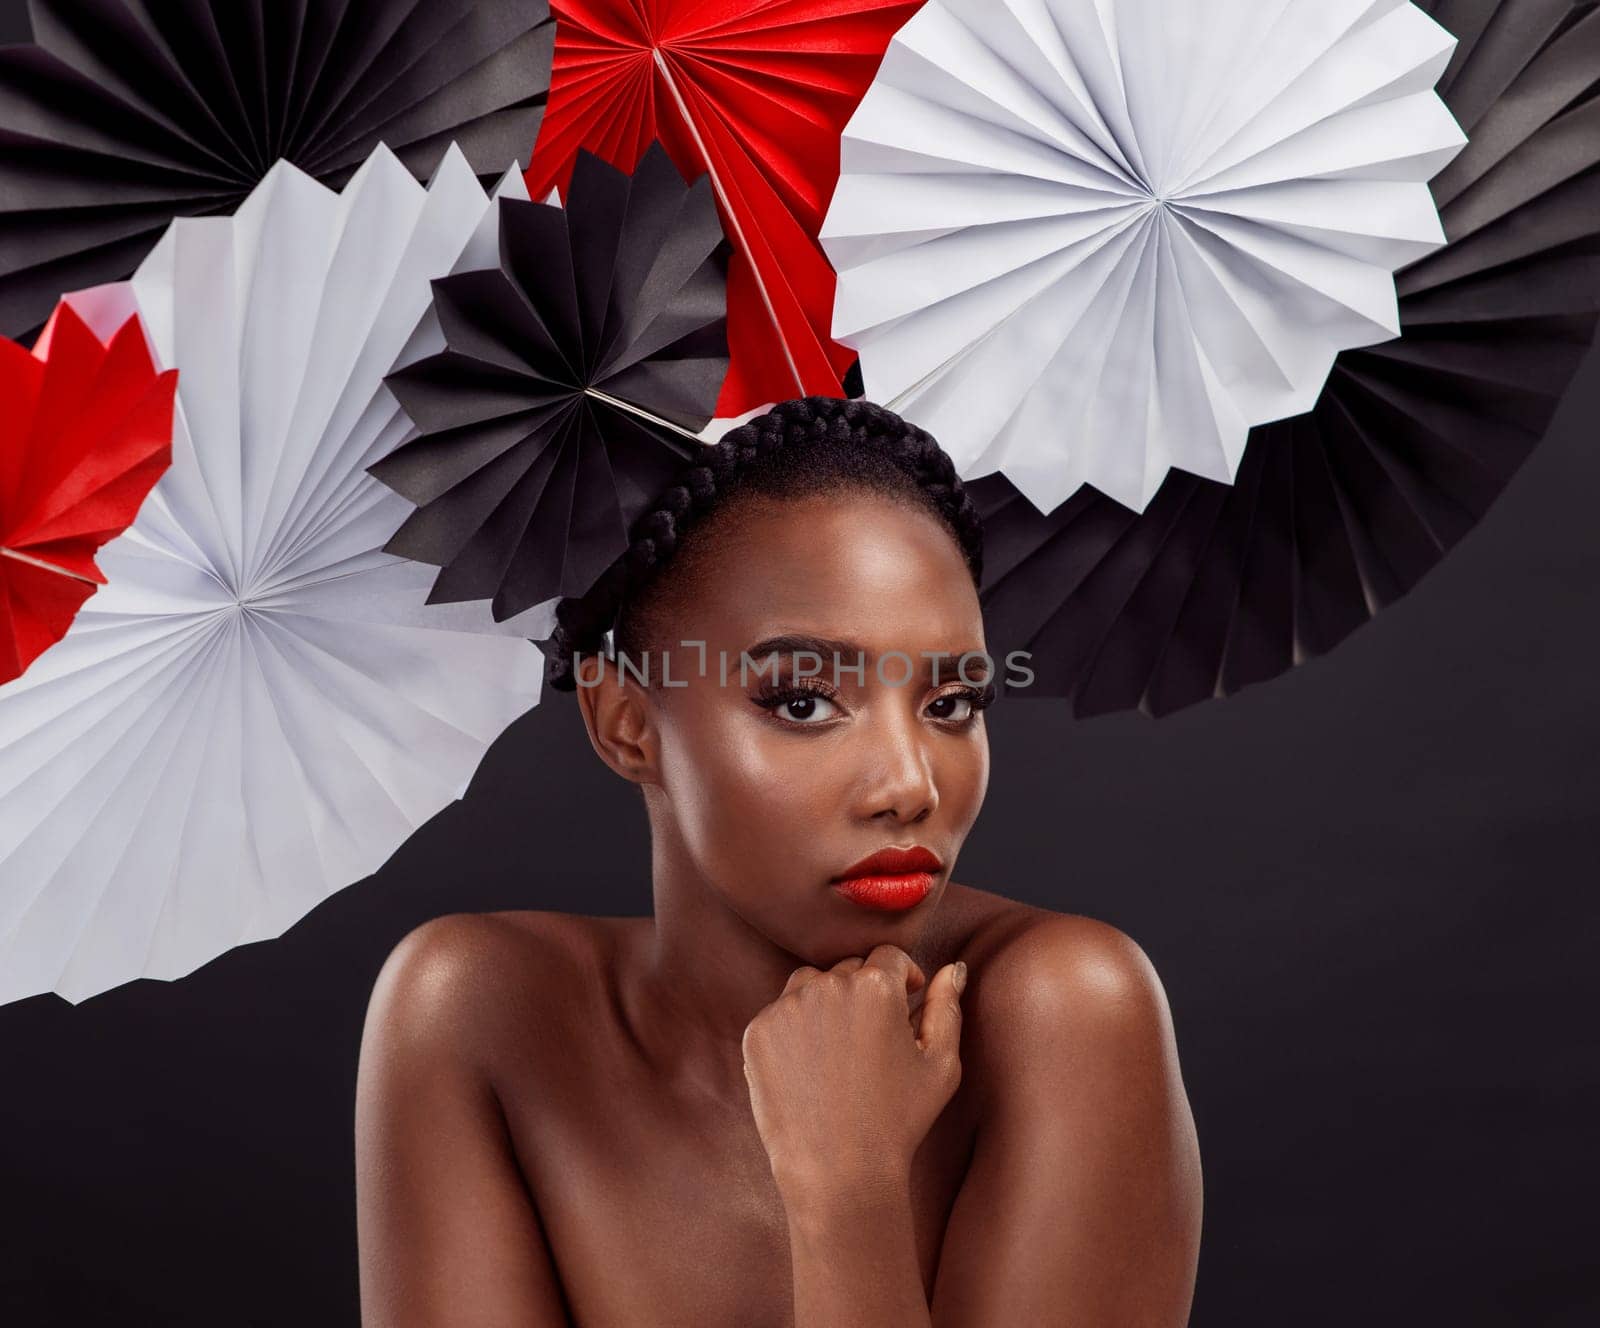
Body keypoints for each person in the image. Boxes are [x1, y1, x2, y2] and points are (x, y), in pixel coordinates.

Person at [354, 397, 1203, 1326]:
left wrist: (848, 1197)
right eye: (803, 702)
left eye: (952, 703)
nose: (909, 784)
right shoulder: (480, 1017)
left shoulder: (1063, 1010)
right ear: (625, 723)